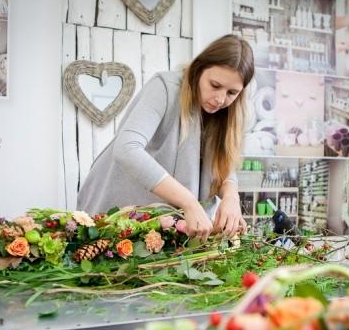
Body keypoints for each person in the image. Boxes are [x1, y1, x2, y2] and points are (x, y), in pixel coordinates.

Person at [77, 34, 254, 243]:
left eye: (232, 92)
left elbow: (224, 166)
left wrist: (231, 197)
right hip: (119, 212)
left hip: (165, 230)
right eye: (214, 85)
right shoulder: (165, 87)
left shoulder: (231, 113)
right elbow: (127, 148)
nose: (220, 99)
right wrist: (189, 202)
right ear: (199, 69)